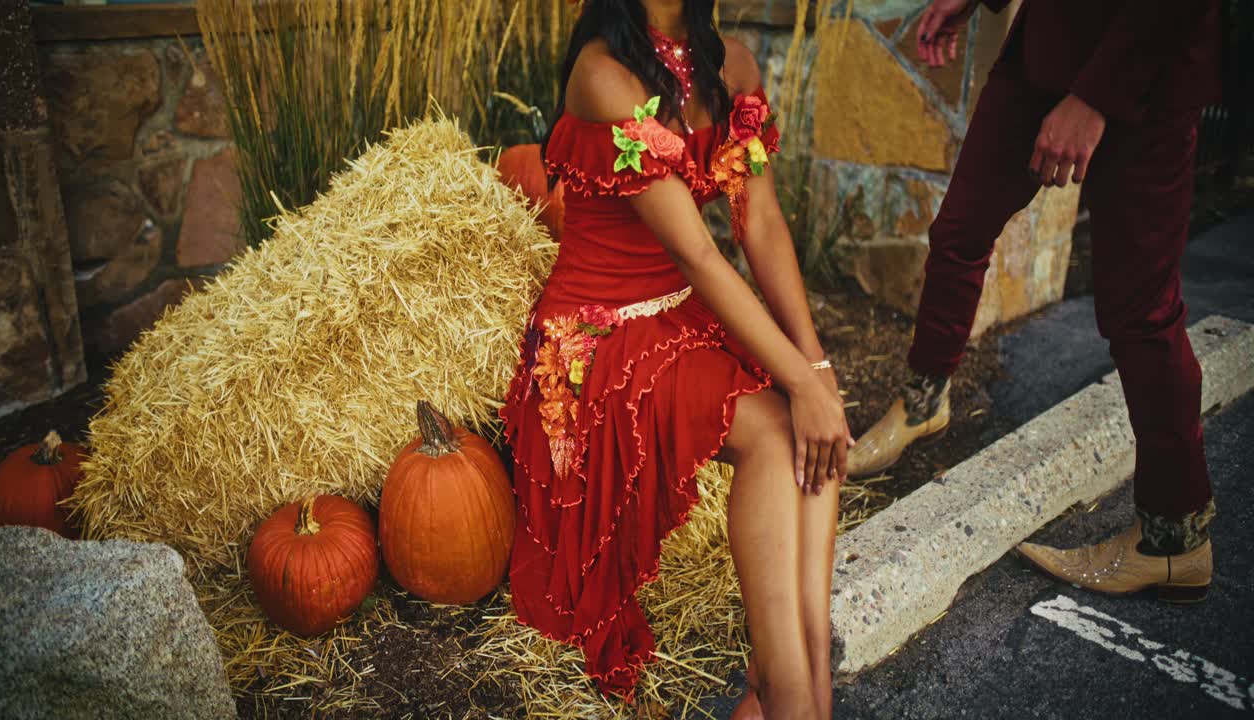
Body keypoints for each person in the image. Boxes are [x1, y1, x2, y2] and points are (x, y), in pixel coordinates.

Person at [500, 0, 852, 716]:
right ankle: (788, 693)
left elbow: (762, 223)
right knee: (780, 428)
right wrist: (799, 384)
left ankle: (803, 682)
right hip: (593, 339)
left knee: (815, 425)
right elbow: (697, 251)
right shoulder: (603, 76)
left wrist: (816, 371)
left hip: (675, 314)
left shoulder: (732, 67)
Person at [847, 0, 1221, 602]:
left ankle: (1176, 539)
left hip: (1146, 70)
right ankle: (923, 402)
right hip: (1046, 47)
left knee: (1141, 313)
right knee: (958, 233)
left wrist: (1095, 97)